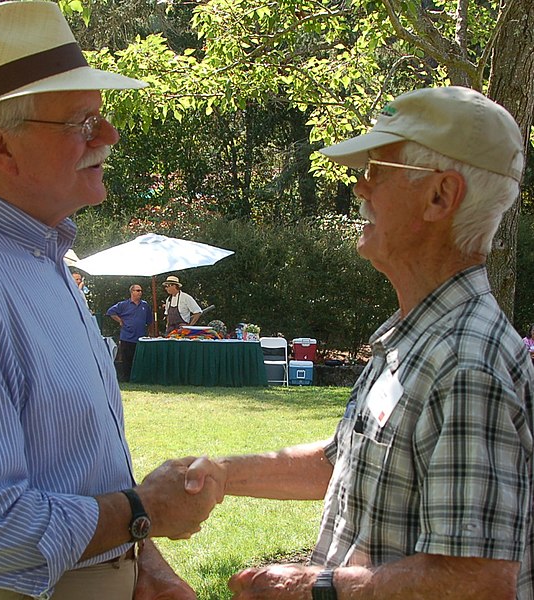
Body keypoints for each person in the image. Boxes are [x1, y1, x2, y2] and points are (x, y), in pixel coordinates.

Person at [0, 3, 222, 599]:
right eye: (80, 123)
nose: (109, 136)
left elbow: (74, 460)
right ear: (0, 147)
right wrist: (143, 510)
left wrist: (143, 562)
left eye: (100, 116)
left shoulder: (36, 255)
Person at [187, 87, 534, 600]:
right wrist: (221, 474)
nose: (360, 186)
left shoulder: (465, 364)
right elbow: (347, 463)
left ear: (441, 196)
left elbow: (474, 583)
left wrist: (306, 587)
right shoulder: (420, 335)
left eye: (379, 169)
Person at [107, 284, 154, 381]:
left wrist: (150, 333)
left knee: (139, 359)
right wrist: (120, 320)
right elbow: (110, 312)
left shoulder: (145, 305)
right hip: (127, 336)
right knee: (126, 359)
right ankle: (126, 378)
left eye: (141, 290)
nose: (140, 292)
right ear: (132, 292)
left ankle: (139, 378)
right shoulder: (123, 305)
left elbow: (149, 321)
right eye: (137, 290)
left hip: (140, 337)